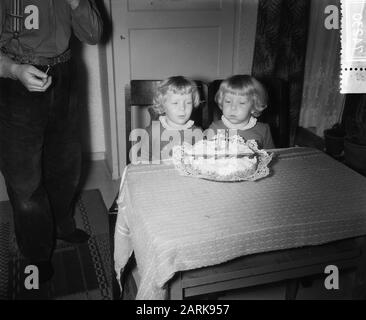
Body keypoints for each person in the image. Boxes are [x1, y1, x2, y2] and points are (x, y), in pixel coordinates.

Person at [0, 0, 103, 283]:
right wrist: (13, 70)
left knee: (66, 166)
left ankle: (60, 225)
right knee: (25, 179)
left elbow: (94, 35)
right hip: (17, 79)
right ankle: (35, 255)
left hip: (65, 74)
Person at [135, 76, 203, 163]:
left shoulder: (197, 132)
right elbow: (142, 160)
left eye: (188, 103)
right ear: (163, 105)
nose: (182, 108)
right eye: (175, 103)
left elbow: (201, 162)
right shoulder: (153, 131)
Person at [209, 75, 275, 149]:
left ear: (254, 107)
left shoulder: (263, 130)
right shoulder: (214, 128)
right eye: (228, 101)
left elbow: (271, 157)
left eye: (242, 103)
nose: (233, 108)